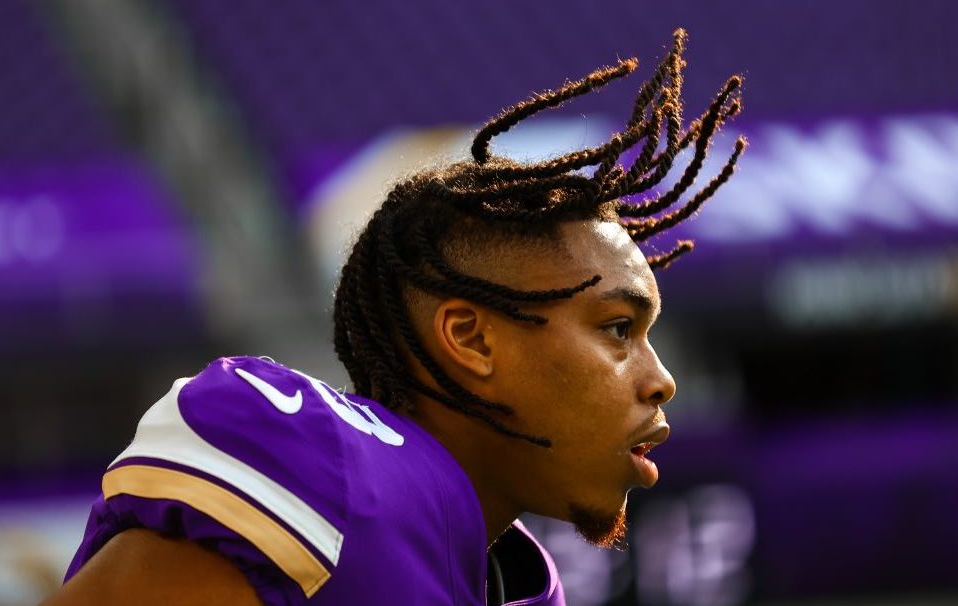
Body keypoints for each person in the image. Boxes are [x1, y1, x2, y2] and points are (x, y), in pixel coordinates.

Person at [42, 28, 744, 606]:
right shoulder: (331, 474)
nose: (661, 380)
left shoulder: (519, 582)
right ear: (471, 339)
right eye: (617, 329)